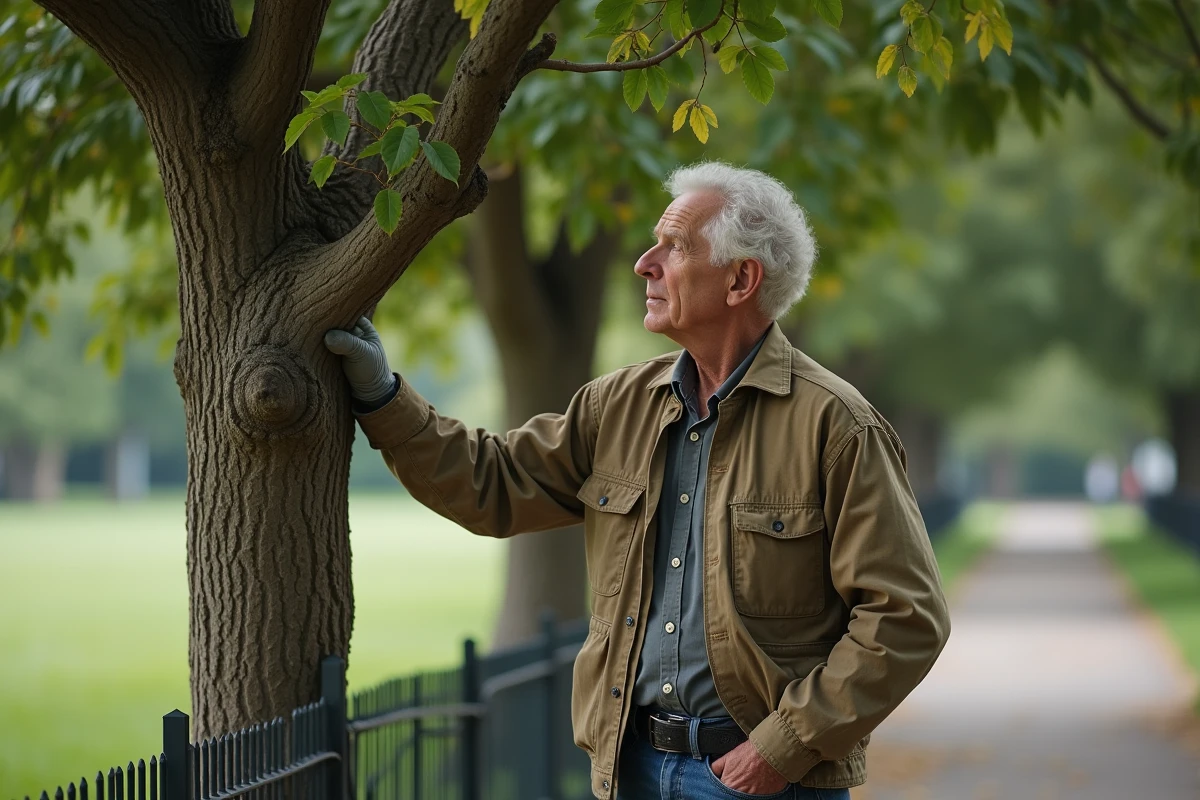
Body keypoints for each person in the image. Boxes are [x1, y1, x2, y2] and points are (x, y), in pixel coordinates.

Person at [325, 161, 951, 800]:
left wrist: (783, 748)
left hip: (763, 782)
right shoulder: (616, 405)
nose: (644, 263)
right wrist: (382, 395)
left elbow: (905, 617)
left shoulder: (835, 423)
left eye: (675, 246)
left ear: (741, 279)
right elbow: (492, 482)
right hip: (632, 773)